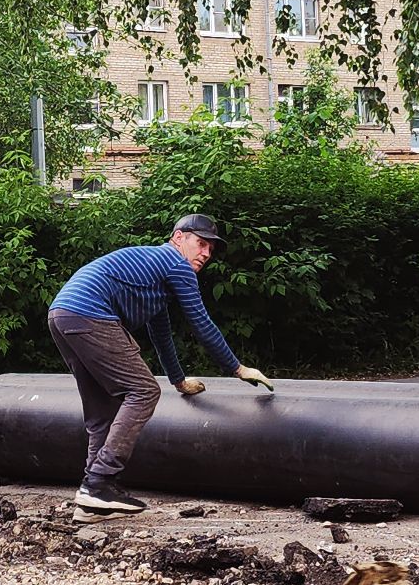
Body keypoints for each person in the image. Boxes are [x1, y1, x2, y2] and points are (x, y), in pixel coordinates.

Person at [47, 213, 273, 516]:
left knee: (102, 411)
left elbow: (161, 335)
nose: (206, 253)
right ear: (179, 238)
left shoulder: (155, 278)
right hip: (89, 313)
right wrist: (237, 368)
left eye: (211, 249)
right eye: (201, 243)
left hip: (62, 314)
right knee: (143, 391)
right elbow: (201, 324)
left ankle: (92, 501)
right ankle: (98, 483)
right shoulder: (176, 265)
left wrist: (178, 381)